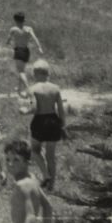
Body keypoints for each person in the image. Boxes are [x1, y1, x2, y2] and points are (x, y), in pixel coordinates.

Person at [23, 60, 65, 190]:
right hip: (53, 120)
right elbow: (61, 109)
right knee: (50, 156)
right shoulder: (55, 88)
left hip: (40, 121)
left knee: (34, 150)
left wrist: (24, 111)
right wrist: (62, 124)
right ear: (48, 73)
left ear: (35, 74)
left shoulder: (32, 89)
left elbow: (34, 108)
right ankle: (51, 185)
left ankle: (45, 175)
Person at [6, 12, 44, 95]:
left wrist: (9, 43)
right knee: (22, 70)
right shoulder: (29, 29)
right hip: (26, 51)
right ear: (24, 20)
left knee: (20, 72)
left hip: (18, 50)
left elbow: (8, 41)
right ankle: (19, 90)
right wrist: (39, 48)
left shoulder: (13, 29)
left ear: (15, 20)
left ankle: (28, 89)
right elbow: (35, 38)